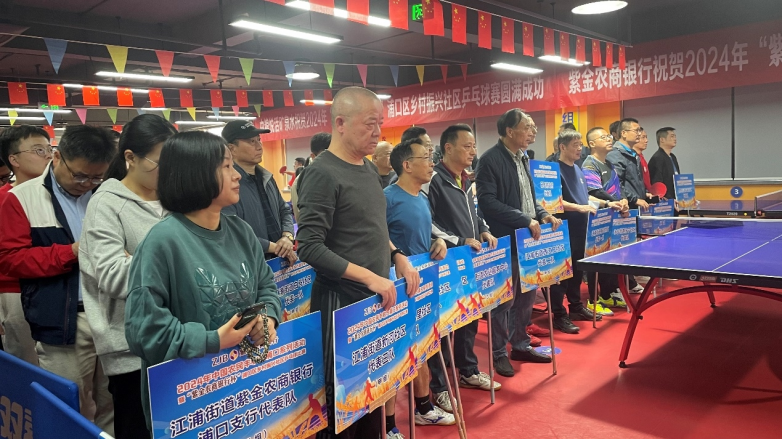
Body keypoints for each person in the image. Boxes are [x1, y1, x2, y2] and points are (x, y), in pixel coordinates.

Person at [124, 131, 282, 427]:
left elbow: (266, 287)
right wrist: (212, 340)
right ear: (195, 173)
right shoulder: (162, 242)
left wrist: (268, 318)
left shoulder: (241, 231)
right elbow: (144, 331)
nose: (236, 175)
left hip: (243, 387)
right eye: (226, 166)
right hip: (190, 401)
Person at [296, 87, 420, 439]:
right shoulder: (322, 173)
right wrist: (369, 277)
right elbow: (310, 247)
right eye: (369, 124)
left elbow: (373, 227)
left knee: (372, 401)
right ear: (340, 123)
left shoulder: (367, 168)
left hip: (374, 300)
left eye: (380, 123)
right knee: (343, 409)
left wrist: (397, 255)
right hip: (340, 304)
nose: (378, 132)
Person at [0, 125, 116, 432]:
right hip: (64, 317)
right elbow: (10, 259)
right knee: (68, 403)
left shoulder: (108, 195)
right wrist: (71, 252)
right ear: (57, 157)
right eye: (80, 175)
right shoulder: (22, 198)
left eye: (96, 177)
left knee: (113, 399)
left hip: (112, 314)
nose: (86, 184)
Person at [80, 114, 176, 439]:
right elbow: (114, 277)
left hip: (178, 340)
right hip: (130, 350)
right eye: (160, 162)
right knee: (139, 429)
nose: (168, 171)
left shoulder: (173, 200)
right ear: (130, 157)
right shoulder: (105, 205)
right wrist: (173, 262)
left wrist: (137, 259)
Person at [476, 109, 561, 378]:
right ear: (509, 131)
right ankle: (499, 352)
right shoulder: (490, 160)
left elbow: (529, 198)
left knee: (526, 298)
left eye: (534, 126)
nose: (533, 131)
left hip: (528, 240)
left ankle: (520, 345)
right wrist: (524, 218)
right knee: (504, 301)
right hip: (506, 240)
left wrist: (543, 214)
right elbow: (488, 202)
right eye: (528, 127)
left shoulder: (523, 157)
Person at [425, 124, 501, 413]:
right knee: (443, 325)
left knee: (469, 315)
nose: (473, 151)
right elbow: (426, 221)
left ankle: (468, 370)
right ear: (448, 148)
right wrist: (457, 240)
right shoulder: (433, 179)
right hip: (444, 262)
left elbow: (475, 213)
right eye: (467, 146)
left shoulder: (467, 178)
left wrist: (483, 229)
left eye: (474, 146)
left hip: (469, 260)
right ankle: (439, 387)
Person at [384, 138, 453, 438]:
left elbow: (425, 235)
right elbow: (378, 235)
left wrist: (439, 242)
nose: (431, 163)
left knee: (422, 347)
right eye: (425, 158)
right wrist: (396, 256)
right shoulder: (387, 198)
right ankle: (388, 425)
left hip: (422, 285)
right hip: (396, 287)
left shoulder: (422, 197)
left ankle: (423, 408)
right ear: (407, 165)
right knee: (395, 356)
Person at [551, 130, 624, 333]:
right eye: (575, 145)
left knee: (577, 271)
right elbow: (553, 201)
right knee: (561, 275)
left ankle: (575, 307)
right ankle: (559, 315)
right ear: (562, 147)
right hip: (563, 230)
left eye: (580, 144)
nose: (579, 148)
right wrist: (579, 207)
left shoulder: (577, 169)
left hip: (581, 229)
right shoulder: (553, 170)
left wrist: (608, 203)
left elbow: (586, 198)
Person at [0, 125, 52, 365]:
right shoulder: (5, 198)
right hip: (13, 291)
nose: (48, 156)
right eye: (38, 150)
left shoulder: (57, 196)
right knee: (25, 359)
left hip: (53, 286)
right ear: (14, 160)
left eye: (49, 149)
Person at [221, 120, 295, 264]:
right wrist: (273, 247)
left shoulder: (267, 178)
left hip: (279, 261)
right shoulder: (229, 185)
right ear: (232, 149)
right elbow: (232, 231)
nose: (259, 146)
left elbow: (284, 210)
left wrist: (287, 236)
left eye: (258, 140)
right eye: (251, 142)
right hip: (250, 264)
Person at [581, 127, 629, 309]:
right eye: (603, 137)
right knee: (596, 258)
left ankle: (607, 294)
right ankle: (593, 299)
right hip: (598, 217)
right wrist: (614, 202)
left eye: (609, 136)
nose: (609, 139)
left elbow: (619, 188)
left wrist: (623, 201)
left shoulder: (609, 163)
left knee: (610, 257)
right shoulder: (589, 164)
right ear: (592, 144)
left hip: (613, 215)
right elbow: (595, 191)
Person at [606, 118, 651, 211]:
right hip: (625, 208)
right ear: (624, 133)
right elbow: (616, 184)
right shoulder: (615, 154)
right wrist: (635, 199)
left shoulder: (634, 154)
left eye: (639, 130)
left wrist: (644, 193)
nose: (639, 134)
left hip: (637, 206)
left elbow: (634, 182)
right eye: (636, 130)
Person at [291, 132, 331, 221]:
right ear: (313, 156)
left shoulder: (341, 176)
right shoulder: (300, 181)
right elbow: (300, 217)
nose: (330, 160)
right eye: (325, 156)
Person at [649, 127, 681, 200]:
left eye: (675, 136)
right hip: (666, 200)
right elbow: (657, 183)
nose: (675, 139)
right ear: (662, 140)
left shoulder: (673, 157)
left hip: (676, 198)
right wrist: (667, 198)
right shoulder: (657, 158)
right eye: (672, 136)